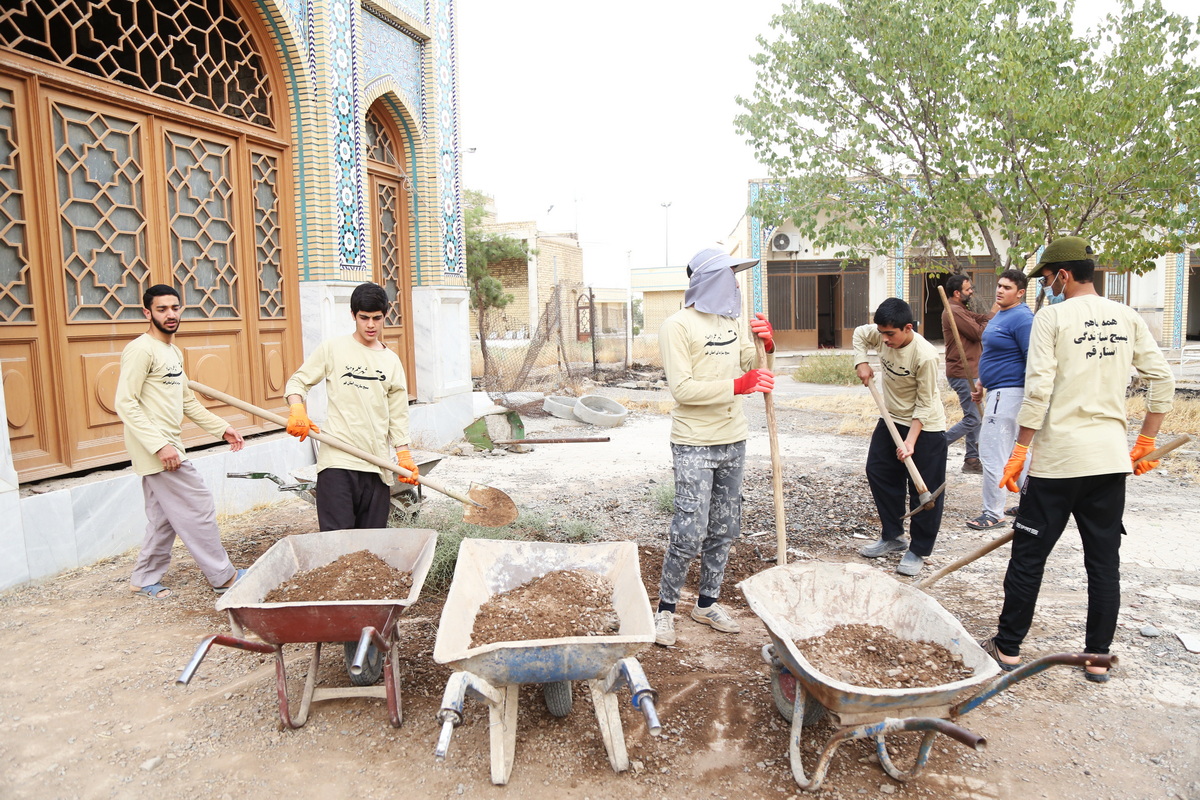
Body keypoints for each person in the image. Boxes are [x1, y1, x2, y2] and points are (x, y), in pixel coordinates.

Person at [980, 237, 1175, 682]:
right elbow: (1161, 379)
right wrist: (1145, 441)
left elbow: (1040, 389)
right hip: (1108, 462)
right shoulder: (1127, 316)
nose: (1045, 286)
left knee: (1029, 556)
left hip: (1058, 463)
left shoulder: (1052, 317)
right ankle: (1097, 657)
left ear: (1062, 275)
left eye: (1046, 278)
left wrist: (1021, 448)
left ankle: (1007, 648)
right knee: (1104, 563)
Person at [654, 247, 775, 647]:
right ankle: (666, 610)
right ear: (709, 279)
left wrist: (765, 346)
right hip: (694, 442)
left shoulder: (731, 321)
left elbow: (749, 364)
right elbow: (683, 389)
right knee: (689, 530)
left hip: (733, 438)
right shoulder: (677, 325)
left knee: (724, 528)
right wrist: (739, 385)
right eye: (731, 275)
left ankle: (706, 604)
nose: (737, 283)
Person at [116, 284, 247, 600]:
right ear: (147, 313)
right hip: (158, 450)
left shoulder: (173, 352)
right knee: (197, 504)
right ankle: (223, 577)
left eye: (175, 308)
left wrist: (221, 429)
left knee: (164, 518)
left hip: (169, 445)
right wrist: (159, 445)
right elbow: (125, 402)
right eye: (162, 309)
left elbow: (187, 401)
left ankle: (144, 578)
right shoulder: (140, 349)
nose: (170, 314)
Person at [284, 282, 418, 532]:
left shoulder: (391, 362)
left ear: (385, 315)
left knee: (369, 549)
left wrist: (403, 454)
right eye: (363, 317)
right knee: (337, 542)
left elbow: (398, 416)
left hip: (377, 466)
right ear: (353, 315)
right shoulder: (333, 349)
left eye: (377, 318)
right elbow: (297, 382)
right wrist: (297, 409)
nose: (370, 325)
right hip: (337, 461)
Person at [853, 298, 948, 577]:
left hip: (926, 426)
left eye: (890, 334)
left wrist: (910, 441)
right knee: (879, 470)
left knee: (924, 491)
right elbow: (860, 334)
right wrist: (862, 361)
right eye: (881, 333)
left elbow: (926, 402)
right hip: (891, 418)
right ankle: (893, 535)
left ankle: (919, 549)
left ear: (907, 328)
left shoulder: (925, 356)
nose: (884, 339)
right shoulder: (882, 334)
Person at [966, 269, 1034, 530]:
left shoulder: (1023, 318)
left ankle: (993, 512)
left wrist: (1031, 398)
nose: (1000, 290)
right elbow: (993, 352)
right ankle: (1031, 502)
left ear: (1020, 292)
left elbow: (1033, 358)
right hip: (997, 390)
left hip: (1011, 392)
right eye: (999, 286)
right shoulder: (1001, 314)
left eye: (1007, 287)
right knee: (1019, 453)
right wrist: (982, 382)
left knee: (992, 452)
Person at [940, 274, 995, 474]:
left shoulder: (961, 310)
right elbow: (979, 333)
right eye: (968, 289)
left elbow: (979, 319)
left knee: (976, 416)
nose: (971, 291)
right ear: (957, 293)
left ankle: (972, 460)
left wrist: (993, 313)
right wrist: (992, 316)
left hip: (970, 370)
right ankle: (936, 445)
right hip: (962, 371)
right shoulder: (953, 311)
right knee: (974, 418)